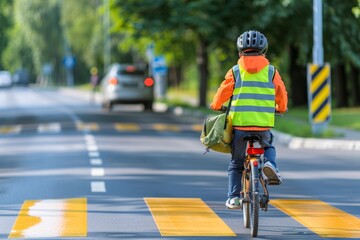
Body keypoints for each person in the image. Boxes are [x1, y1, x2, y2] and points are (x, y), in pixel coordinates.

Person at [209, 30, 288, 209]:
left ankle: (233, 198)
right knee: (268, 145)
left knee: (236, 163)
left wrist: (216, 105)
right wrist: (281, 108)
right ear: (264, 52)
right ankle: (270, 164)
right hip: (263, 125)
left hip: (240, 125)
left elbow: (223, 92)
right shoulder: (271, 72)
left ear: (240, 52)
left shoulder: (235, 71)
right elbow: (281, 93)